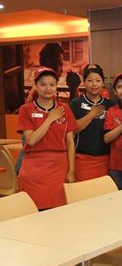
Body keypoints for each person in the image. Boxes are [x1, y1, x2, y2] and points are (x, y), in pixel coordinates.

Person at [17, 66, 78, 209]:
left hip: (58, 167)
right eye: (43, 84)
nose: (47, 88)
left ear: (57, 86)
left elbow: (70, 143)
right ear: (36, 86)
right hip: (34, 169)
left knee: (58, 211)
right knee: (32, 213)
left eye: (52, 84)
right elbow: (31, 140)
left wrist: (71, 171)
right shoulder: (26, 110)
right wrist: (50, 118)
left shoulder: (65, 109)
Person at [70, 64, 114, 181]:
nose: (94, 84)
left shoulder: (110, 105)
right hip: (83, 160)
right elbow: (73, 129)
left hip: (106, 159)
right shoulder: (76, 103)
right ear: (84, 82)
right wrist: (91, 115)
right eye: (90, 80)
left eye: (98, 80)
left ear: (103, 83)